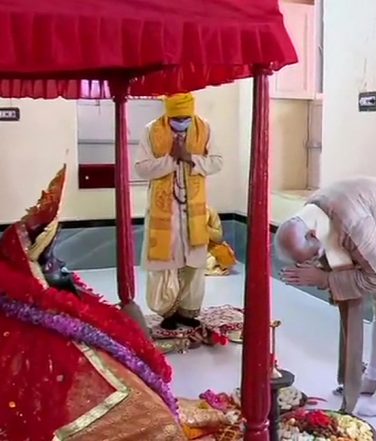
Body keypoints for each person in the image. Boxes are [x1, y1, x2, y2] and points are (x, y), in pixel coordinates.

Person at [0, 166, 184, 440]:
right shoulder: (40, 327)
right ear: (33, 274)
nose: (63, 268)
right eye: (51, 262)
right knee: (161, 424)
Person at [276, 177, 376, 417]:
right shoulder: (310, 213)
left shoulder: (352, 224)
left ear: (314, 235)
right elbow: (331, 255)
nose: (315, 261)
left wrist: (324, 279)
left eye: (314, 256)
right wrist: (322, 272)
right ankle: (373, 376)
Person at [135, 93, 224, 330]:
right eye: (177, 119)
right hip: (164, 211)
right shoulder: (151, 130)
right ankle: (167, 311)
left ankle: (188, 310)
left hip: (194, 211)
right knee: (164, 263)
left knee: (194, 263)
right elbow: (141, 168)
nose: (181, 124)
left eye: (186, 118)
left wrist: (190, 157)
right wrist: (171, 159)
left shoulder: (204, 128)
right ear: (168, 115)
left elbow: (217, 162)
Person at [205, 206, 237, 276]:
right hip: (192, 251)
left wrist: (205, 227)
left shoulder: (209, 211)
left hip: (208, 251)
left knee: (223, 255)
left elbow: (219, 238)